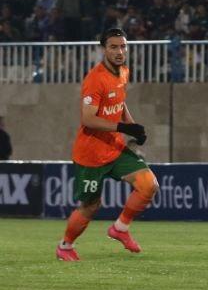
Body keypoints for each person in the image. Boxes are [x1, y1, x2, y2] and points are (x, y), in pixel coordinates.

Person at [56, 28, 156, 261]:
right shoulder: (95, 79)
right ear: (104, 49)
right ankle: (65, 246)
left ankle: (120, 228)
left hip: (115, 148)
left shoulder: (123, 72)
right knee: (91, 206)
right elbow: (88, 119)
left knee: (148, 185)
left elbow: (120, 102)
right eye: (113, 47)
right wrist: (123, 128)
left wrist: (133, 127)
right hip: (91, 155)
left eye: (123, 46)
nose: (119, 51)